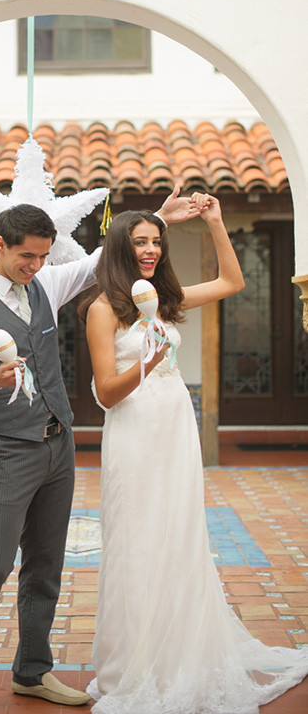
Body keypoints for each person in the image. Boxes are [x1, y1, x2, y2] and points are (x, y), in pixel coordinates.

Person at [0, 193, 197, 714]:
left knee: (46, 565)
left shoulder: (46, 284)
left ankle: (32, 672)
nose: (35, 266)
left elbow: (100, 258)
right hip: (7, 450)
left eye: (44, 256)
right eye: (26, 256)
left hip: (58, 444)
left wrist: (158, 218)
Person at [82, 195, 308, 714]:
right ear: (120, 248)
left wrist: (215, 222)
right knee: (137, 539)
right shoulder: (102, 309)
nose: (151, 250)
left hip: (176, 429)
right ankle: (133, 665)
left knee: (179, 534)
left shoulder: (163, 300)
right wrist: (149, 360)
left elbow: (232, 282)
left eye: (156, 242)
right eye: (140, 242)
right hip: (134, 432)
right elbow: (107, 394)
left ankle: (179, 651)